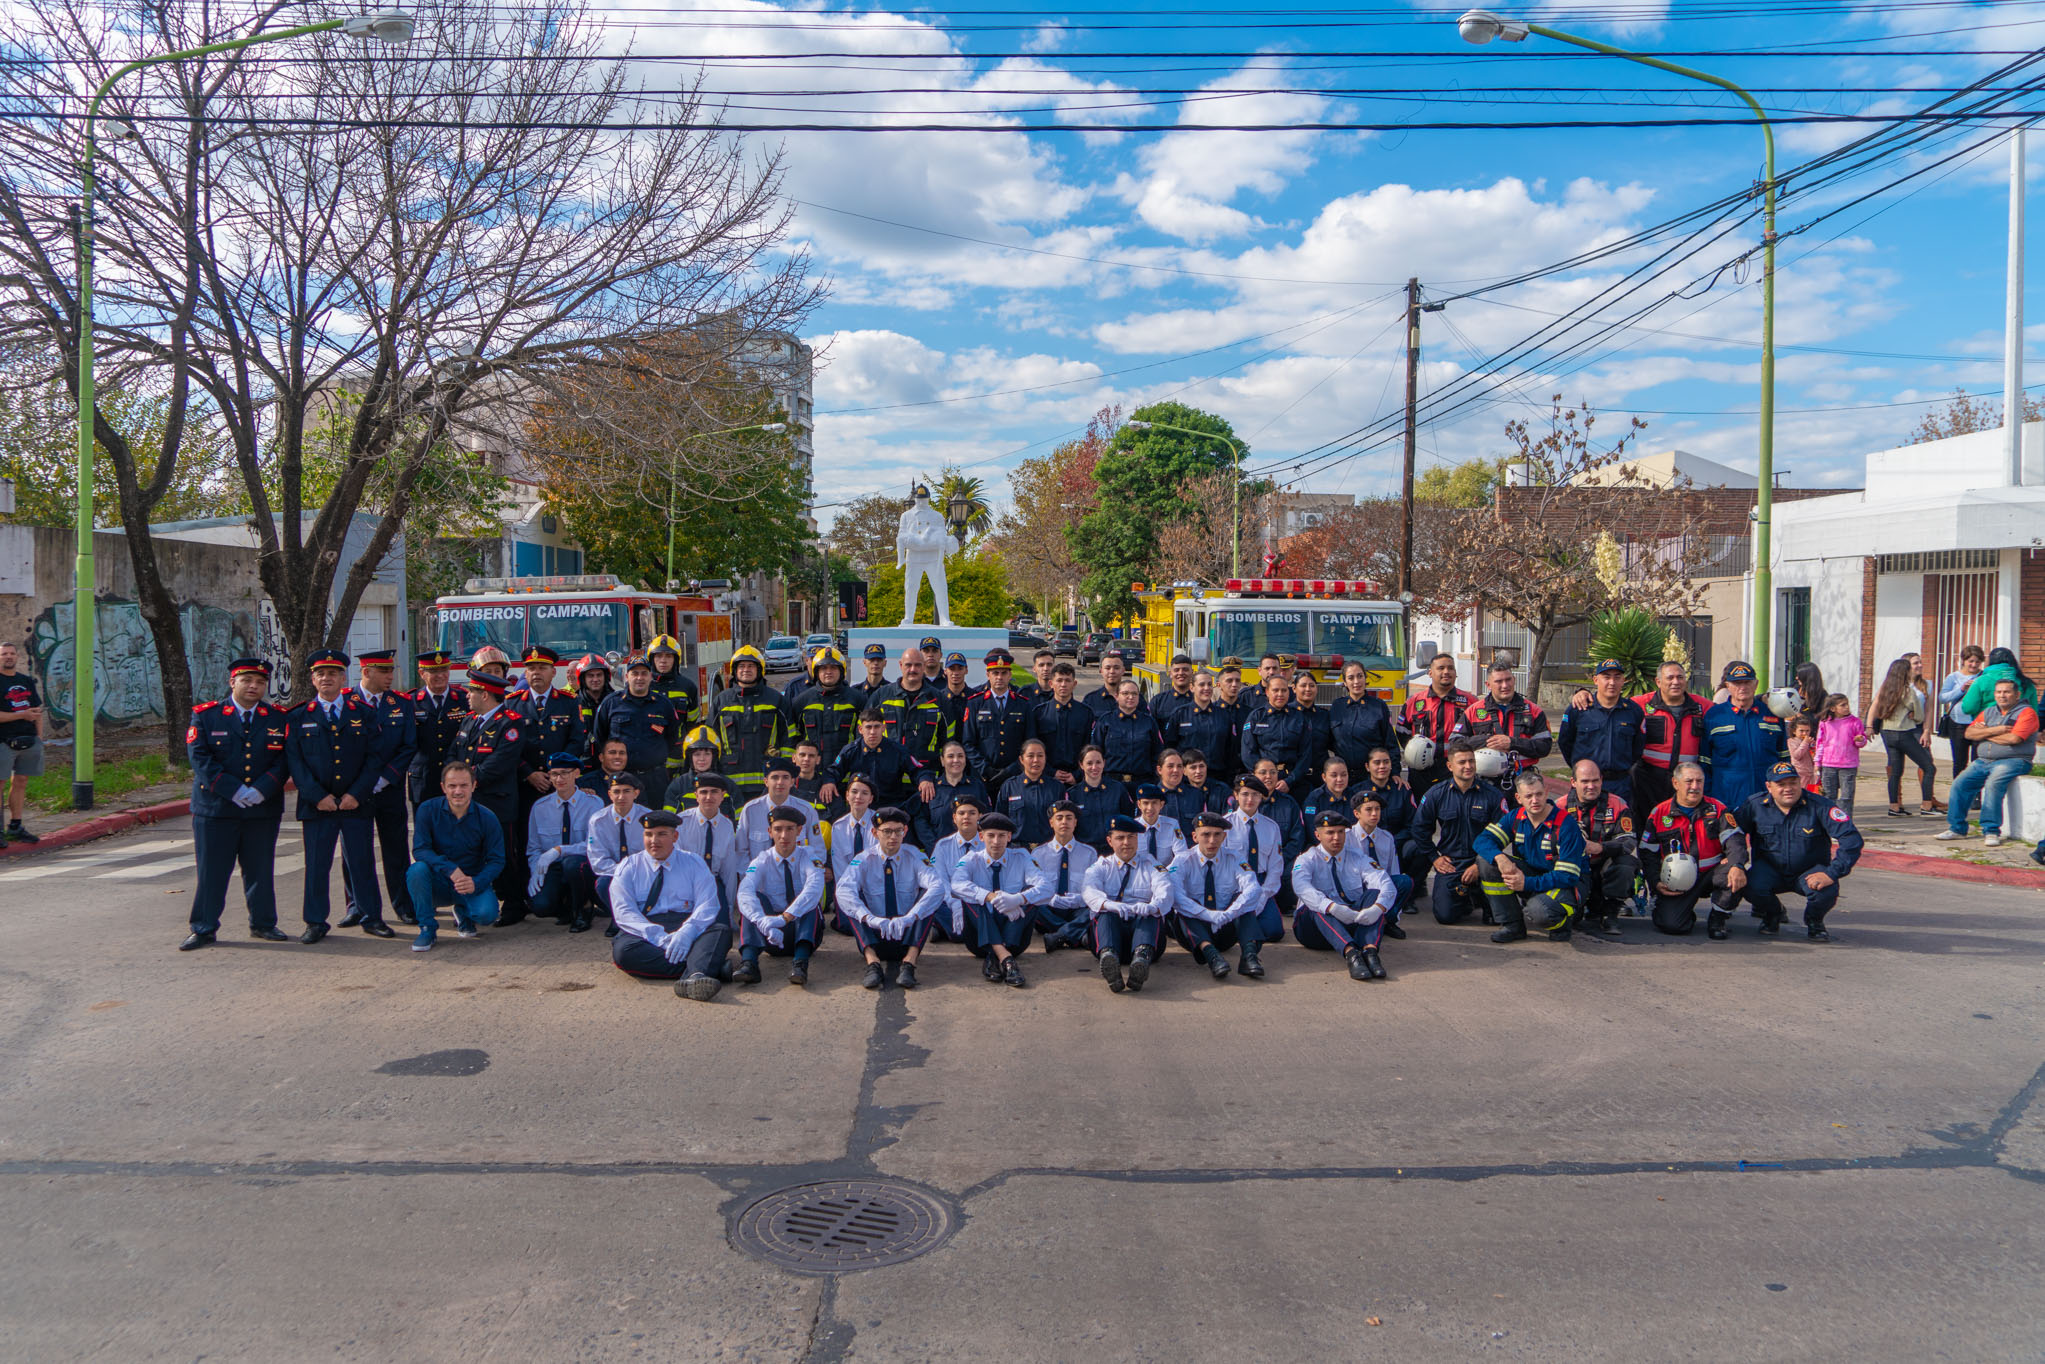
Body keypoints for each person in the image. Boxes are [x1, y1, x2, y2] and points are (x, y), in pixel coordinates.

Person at [181, 658, 293, 950]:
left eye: (260, 682)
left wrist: (262, 789)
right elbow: (200, 758)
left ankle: (263, 923)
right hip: (216, 809)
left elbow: (284, 760)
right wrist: (232, 790)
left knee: (260, 869)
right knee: (212, 871)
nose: (254, 687)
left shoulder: (278, 717)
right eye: (247, 681)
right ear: (233, 682)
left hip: (261, 807)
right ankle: (203, 928)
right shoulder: (206, 716)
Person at [286, 650, 391, 942]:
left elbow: (374, 758)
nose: (326, 678)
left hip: (355, 803)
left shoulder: (363, 714)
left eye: (332, 674)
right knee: (317, 865)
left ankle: (371, 917)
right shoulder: (298, 716)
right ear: (313, 679)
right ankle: (315, 922)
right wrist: (316, 795)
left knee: (362, 862)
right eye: (321, 674)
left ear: (343, 678)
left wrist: (357, 794)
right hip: (317, 805)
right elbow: (295, 761)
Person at [1730, 761, 1864, 941]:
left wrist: (1831, 873)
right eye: (1781, 784)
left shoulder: (1820, 805)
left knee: (1827, 890)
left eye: (1793, 782)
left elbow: (1851, 839)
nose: (1788, 789)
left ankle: (1814, 921)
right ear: (1769, 787)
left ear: (1800, 782)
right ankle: (1773, 913)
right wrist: (1735, 863)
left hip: (1808, 871)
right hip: (1770, 870)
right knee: (1748, 885)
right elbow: (1733, 834)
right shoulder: (1754, 805)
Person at [608, 809, 733, 999]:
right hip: (646, 928)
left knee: (720, 932)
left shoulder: (694, 863)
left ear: (675, 836)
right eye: (648, 834)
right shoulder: (628, 866)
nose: (654, 841)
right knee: (624, 952)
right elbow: (624, 912)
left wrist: (687, 933)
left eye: (661, 834)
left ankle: (696, 973)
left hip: (685, 922)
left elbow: (707, 905)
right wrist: (660, 938)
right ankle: (703, 969)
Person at [450, 669, 531, 925]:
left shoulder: (510, 722)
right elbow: (454, 753)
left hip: (497, 802)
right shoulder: (469, 720)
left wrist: (465, 780)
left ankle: (514, 904)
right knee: (470, 853)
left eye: (471, 691)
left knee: (504, 854)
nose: (467, 696)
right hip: (468, 803)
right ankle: (472, 903)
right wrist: (453, 778)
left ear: (484, 694)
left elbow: (501, 763)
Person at [342, 649, 416, 925]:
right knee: (354, 851)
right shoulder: (345, 701)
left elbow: (408, 745)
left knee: (395, 849)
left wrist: (385, 778)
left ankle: (403, 904)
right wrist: (360, 783)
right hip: (354, 791)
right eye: (384, 671)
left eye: (391, 671)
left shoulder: (401, 703)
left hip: (389, 788)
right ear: (366, 672)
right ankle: (355, 906)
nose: (390, 677)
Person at [836, 806, 946, 990]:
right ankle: (873, 964)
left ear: (905, 832)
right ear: (874, 832)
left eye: (898, 831)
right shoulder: (864, 859)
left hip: (907, 934)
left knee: (928, 898)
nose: (893, 837)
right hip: (875, 934)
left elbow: (937, 886)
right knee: (852, 900)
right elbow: (843, 890)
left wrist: (911, 917)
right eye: (887, 831)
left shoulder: (915, 856)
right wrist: (869, 918)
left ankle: (909, 964)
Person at [1475, 769, 1587, 944]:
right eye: (1528, 796)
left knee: (1539, 911)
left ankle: (1563, 923)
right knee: (1486, 861)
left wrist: (1526, 883)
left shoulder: (1565, 824)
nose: (1535, 800)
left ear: (1546, 793)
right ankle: (1513, 925)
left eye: (1539, 794)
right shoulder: (1516, 818)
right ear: (1519, 799)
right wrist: (1500, 858)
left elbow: (1568, 876)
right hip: (1534, 877)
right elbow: (1482, 841)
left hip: (1567, 884)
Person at [404, 761, 507, 951]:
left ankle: (464, 912)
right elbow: (420, 849)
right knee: (416, 870)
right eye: (452, 786)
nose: (458, 791)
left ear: (474, 786)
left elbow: (497, 860)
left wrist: (477, 882)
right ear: (443, 787)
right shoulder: (427, 810)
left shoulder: (487, 818)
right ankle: (427, 928)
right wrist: (450, 869)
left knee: (487, 915)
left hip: (470, 882)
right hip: (439, 882)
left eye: (463, 785)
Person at [1639, 760, 1745, 939]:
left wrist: (1737, 865)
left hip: (1711, 874)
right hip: (1677, 880)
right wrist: (1656, 882)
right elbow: (1647, 852)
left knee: (1737, 872)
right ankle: (1682, 911)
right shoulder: (1659, 813)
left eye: (1699, 781)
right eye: (1689, 781)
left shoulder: (1717, 809)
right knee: (1671, 925)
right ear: (1675, 783)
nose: (1695, 787)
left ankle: (1718, 917)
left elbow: (1735, 841)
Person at [1292, 808, 1397, 980]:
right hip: (1314, 931)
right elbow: (1301, 887)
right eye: (1330, 833)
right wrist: (1332, 907)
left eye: (1341, 832)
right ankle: (1352, 954)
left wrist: (1378, 908)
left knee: (1375, 893)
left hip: (1350, 920)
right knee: (1316, 904)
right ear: (1318, 835)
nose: (1336, 838)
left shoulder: (1357, 857)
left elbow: (1385, 883)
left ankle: (1370, 952)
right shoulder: (1307, 859)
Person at [1413, 739, 1508, 926]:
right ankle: (1467, 898)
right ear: (1450, 766)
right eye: (1462, 762)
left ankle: (1478, 896)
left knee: (1496, 918)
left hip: (1484, 861)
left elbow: (1503, 833)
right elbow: (1419, 828)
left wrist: (1480, 864)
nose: (1468, 766)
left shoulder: (1492, 795)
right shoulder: (1436, 794)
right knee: (1445, 916)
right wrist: (1435, 858)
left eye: (1471, 761)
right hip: (1452, 863)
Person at [1937, 677, 2039, 848]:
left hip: (2014, 760)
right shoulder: (1989, 711)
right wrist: (1997, 730)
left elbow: (2014, 738)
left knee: (1993, 784)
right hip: (1983, 760)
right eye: (1998, 692)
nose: (2002, 696)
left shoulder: (2027, 713)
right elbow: (1969, 733)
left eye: (2007, 692)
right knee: (1960, 784)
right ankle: (1957, 828)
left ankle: (1991, 830)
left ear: (2017, 694)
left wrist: (1984, 733)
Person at [951, 811, 1049, 987]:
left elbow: (1047, 888)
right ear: (981, 836)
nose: (996, 841)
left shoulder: (1022, 856)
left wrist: (1018, 899)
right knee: (972, 897)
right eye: (991, 835)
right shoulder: (971, 859)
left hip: (1015, 938)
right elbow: (956, 884)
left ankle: (994, 956)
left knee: (1031, 894)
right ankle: (1006, 959)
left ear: (1009, 837)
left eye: (1002, 836)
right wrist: (990, 897)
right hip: (978, 941)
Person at [734, 805, 827, 986]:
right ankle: (749, 963)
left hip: (803, 934)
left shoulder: (809, 856)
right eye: (778, 829)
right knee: (754, 899)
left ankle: (800, 964)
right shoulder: (762, 859)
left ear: (799, 831)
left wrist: (784, 918)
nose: (783, 836)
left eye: (789, 829)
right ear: (770, 832)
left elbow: (814, 887)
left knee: (809, 902)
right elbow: (745, 890)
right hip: (770, 934)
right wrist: (761, 920)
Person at [1081, 814, 1174, 994]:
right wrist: (1108, 904)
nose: (1126, 842)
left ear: (1138, 839)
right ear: (1110, 841)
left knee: (1152, 915)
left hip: (1142, 933)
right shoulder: (1101, 866)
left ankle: (1141, 958)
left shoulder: (1151, 865)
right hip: (1111, 935)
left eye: (1131, 837)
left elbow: (1166, 890)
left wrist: (1152, 906)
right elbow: (1088, 890)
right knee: (1104, 914)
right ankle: (1109, 959)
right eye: (1120, 838)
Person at [1167, 811, 1266, 979]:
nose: (1212, 840)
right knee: (1184, 907)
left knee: (1244, 902)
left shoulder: (1234, 858)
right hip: (1195, 934)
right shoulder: (1182, 861)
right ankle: (1212, 956)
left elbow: (1253, 888)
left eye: (1217, 835)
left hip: (1225, 925)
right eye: (1206, 834)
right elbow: (1175, 896)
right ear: (1195, 836)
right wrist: (1208, 915)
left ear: (1224, 836)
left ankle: (1249, 956)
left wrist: (1230, 913)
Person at [1557, 759, 1638, 933]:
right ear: (1573, 782)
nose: (1591, 786)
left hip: (1604, 868)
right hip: (1575, 869)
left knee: (1626, 863)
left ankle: (1611, 913)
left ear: (1602, 780)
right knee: (1570, 921)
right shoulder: (1559, 807)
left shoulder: (1618, 804)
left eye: (1595, 780)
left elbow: (1628, 842)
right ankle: (1577, 905)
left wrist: (1600, 848)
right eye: (1585, 781)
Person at [526, 752, 604, 931]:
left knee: (572, 864)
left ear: (576, 773)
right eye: (554, 774)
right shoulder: (540, 807)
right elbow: (534, 847)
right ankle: (566, 908)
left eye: (564, 773)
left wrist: (560, 850)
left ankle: (583, 909)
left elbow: (595, 846)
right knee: (540, 906)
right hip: (553, 866)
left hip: (580, 865)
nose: (559, 779)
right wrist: (535, 871)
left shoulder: (593, 804)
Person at [1556, 659, 1645, 810]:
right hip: (1586, 784)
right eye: (1606, 677)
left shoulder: (1633, 712)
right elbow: (1565, 743)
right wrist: (1581, 769)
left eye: (1617, 677)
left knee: (1620, 827)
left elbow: (1638, 747)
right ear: (1596, 680)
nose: (1612, 682)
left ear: (1623, 680)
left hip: (1619, 784)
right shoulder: (1579, 709)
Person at [1700, 661, 1789, 811]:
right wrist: (1708, 797)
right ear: (1728, 686)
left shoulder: (1772, 714)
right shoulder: (1714, 716)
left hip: (1766, 798)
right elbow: (1704, 761)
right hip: (1727, 797)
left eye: (1747, 682)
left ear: (1756, 684)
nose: (1742, 687)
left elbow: (1784, 757)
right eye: (1737, 683)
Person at [595, 656, 682, 802]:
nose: (639, 678)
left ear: (650, 677)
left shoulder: (663, 704)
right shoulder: (611, 703)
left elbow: (672, 737)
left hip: (655, 778)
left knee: (655, 821)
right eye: (635, 673)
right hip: (622, 779)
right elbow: (600, 737)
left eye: (644, 673)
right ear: (627, 676)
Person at [1454, 661, 1553, 789]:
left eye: (1508, 680)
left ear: (1514, 680)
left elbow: (1544, 746)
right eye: (1499, 681)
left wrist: (1512, 743)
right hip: (1484, 783)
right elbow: (1455, 743)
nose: (1505, 685)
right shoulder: (1473, 711)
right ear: (1488, 685)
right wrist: (1487, 740)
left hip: (1523, 781)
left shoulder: (1534, 711)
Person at [713, 645, 794, 799]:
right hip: (729, 781)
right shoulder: (721, 701)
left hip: (768, 780)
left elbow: (789, 736)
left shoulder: (775, 700)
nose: (746, 670)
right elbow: (712, 738)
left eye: (751, 666)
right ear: (735, 671)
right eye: (741, 666)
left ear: (759, 670)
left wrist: (783, 768)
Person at [1396, 653, 1474, 799]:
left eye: (1451, 668)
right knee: (1422, 816)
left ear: (1455, 673)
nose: (1446, 672)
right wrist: (1415, 752)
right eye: (1441, 668)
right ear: (1430, 673)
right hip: (1421, 771)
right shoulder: (1414, 701)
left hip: (1455, 770)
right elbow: (1402, 731)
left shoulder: (1470, 702)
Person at [1226, 773, 1289, 945]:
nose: (1250, 799)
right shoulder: (1225, 826)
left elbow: (1275, 866)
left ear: (1261, 796)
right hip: (1233, 884)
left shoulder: (1271, 827)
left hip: (1260, 882)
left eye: (1255, 794)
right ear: (1236, 795)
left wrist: (1264, 894)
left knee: (1275, 931)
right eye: (1245, 794)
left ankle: (1245, 928)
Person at [584, 770, 648, 938]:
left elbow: (653, 855)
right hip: (613, 873)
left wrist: (635, 872)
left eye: (626, 791)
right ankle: (618, 919)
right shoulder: (598, 820)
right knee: (603, 884)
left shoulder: (648, 818)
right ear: (609, 794)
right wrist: (623, 873)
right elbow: (598, 860)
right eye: (617, 792)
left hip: (642, 871)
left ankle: (640, 918)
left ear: (636, 793)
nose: (621, 797)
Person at [406, 649, 470, 809]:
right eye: (434, 671)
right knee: (425, 827)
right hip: (423, 779)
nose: (440, 675)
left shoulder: (463, 699)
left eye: (444, 670)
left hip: (456, 779)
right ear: (421, 673)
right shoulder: (410, 702)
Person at [1031, 800, 1098, 949]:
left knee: (1097, 909)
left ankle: (1059, 936)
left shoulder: (1089, 853)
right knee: (1032, 905)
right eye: (1059, 818)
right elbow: (1035, 887)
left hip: (1078, 909)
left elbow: (1094, 887)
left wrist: (1080, 900)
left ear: (1075, 823)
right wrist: (1050, 898)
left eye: (1069, 818)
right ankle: (1077, 934)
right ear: (1051, 823)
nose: (1064, 822)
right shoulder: (1038, 854)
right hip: (1050, 909)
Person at [872, 647, 951, 772]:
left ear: (924, 666)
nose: (913, 669)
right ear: (900, 665)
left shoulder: (939, 700)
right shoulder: (881, 696)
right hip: (888, 775)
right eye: (908, 665)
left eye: (917, 665)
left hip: (925, 778)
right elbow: (863, 734)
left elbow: (949, 742)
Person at [676, 772, 743, 919]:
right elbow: (676, 862)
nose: (708, 797)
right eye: (703, 792)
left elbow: (729, 870)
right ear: (696, 795)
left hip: (713, 882)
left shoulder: (726, 825)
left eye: (714, 792)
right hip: (686, 883)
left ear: (722, 795)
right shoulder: (681, 822)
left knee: (721, 925)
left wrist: (729, 907)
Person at [795, 648, 859, 801]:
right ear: (816, 672)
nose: (828, 672)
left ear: (841, 671)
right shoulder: (802, 701)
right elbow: (795, 738)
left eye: (833, 668)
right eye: (823, 668)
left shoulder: (856, 700)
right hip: (810, 777)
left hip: (846, 777)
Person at [964, 648, 1034, 788]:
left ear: (1010, 675)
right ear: (988, 675)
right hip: (983, 777)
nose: (999, 677)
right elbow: (968, 743)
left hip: (1015, 776)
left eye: (1004, 673)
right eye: (995, 673)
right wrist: (984, 769)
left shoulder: (1023, 704)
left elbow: (1029, 742)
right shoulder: (975, 703)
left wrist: (1013, 769)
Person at [1348, 788, 1413, 939]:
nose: (1374, 814)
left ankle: (1387, 921)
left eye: (1377, 809)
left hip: (1381, 885)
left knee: (1404, 882)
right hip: (1358, 888)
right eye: (1368, 810)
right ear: (1357, 814)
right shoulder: (1347, 837)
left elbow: (1392, 870)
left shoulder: (1387, 838)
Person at [837, 708, 932, 811]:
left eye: (877, 726)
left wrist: (924, 780)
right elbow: (834, 770)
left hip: (891, 808)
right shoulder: (851, 751)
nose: (872, 732)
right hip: (861, 807)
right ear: (860, 729)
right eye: (868, 727)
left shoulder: (897, 750)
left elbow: (918, 770)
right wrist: (829, 783)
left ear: (884, 728)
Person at [737, 758, 824, 866]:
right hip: (760, 878)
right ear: (766, 781)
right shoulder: (750, 810)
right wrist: (750, 877)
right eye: (775, 777)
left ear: (792, 782)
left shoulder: (806, 810)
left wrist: (809, 876)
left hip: (796, 878)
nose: (780, 782)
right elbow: (741, 851)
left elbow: (817, 849)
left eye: (785, 777)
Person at [0, 639, 45, 846]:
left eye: (11, 653)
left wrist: (39, 738)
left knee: (21, 782)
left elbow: (37, 710)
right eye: (4, 654)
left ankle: (16, 826)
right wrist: (22, 715)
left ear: (17, 656)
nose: (8, 657)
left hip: (29, 740)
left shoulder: (26, 680)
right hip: (4, 741)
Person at [1240, 671, 1313, 796]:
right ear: (1267, 692)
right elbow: (1248, 753)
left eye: (1284, 690)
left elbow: (1305, 755)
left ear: (1289, 692)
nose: (1280, 694)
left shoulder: (1299, 717)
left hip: (1292, 782)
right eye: (1275, 690)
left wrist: (1290, 781)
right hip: (1262, 782)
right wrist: (1264, 778)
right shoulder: (1256, 717)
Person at [1328, 660, 1398, 785]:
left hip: (1371, 777)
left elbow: (1390, 742)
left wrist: (1395, 773)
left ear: (1365, 678)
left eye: (1360, 676)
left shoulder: (1378, 706)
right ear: (1345, 682)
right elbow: (1330, 741)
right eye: (1351, 678)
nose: (1356, 682)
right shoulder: (1337, 706)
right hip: (1343, 779)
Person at [913, 740, 989, 849]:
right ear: (942, 760)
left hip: (973, 851)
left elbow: (986, 817)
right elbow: (921, 822)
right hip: (938, 851)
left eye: (960, 756)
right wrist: (934, 848)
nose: (956, 760)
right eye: (950, 756)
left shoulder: (977, 786)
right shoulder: (932, 788)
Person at [1170, 670, 1241, 786]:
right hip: (1187, 781)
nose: (1207, 688)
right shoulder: (1180, 714)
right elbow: (1170, 748)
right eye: (1202, 684)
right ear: (1192, 687)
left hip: (1218, 779)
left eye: (1209, 684)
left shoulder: (1224, 716)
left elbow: (1231, 752)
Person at [1032, 661, 1094, 784]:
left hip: (1077, 779)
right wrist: (1051, 773)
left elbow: (1089, 748)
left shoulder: (1085, 713)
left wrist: (1076, 775)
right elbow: (1033, 747)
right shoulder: (1039, 713)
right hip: (1046, 778)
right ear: (1051, 684)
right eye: (1059, 680)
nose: (1063, 684)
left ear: (1074, 684)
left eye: (1067, 680)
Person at [1094, 678, 1162, 786]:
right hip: (1111, 783)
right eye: (1125, 693)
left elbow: (1158, 753)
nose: (1130, 697)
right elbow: (1095, 752)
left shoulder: (1149, 722)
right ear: (1116, 696)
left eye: (1134, 694)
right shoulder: (1105, 721)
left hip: (1142, 782)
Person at [996, 739, 1061, 847]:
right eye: (1030, 756)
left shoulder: (1056, 787)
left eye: (1040, 756)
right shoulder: (1010, 786)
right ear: (1021, 759)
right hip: (1017, 850)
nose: (1036, 760)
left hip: (1048, 849)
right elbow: (1000, 821)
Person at [1813, 692, 1869, 814]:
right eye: (1842, 705)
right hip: (1828, 764)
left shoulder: (1855, 722)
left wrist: (1860, 740)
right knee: (1828, 796)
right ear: (1832, 708)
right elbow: (1820, 743)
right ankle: (1830, 822)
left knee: (1846, 797)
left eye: (1847, 704)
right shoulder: (1825, 722)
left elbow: (1862, 741)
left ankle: (1845, 823)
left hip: (1848, 765)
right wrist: (1817, 762)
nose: (1847, 707)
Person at [1938, 644, 1987, 780]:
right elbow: (1942, 698)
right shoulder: (1953, 677)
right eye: (1970, 661)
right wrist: (1961, 689)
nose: (1974, 664)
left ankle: (1976, 796)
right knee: (1959, 762)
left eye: (1977, 661)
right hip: (1957, 724)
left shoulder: (1984, 676)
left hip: (1978, 724)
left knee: (1978, 761)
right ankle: (1958, 793)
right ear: (1963, 661)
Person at [1070, 746, 1131, 851]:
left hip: (1114, 852)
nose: (1094, 767)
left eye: (1098, 762)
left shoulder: (1118, 789)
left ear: (1104, 763)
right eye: (1089, 763)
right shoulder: (1072, 795)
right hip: (1085, 852)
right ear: (1081, 765)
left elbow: (1128, 820)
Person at [1957, 646, 2037, 723]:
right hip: (2019, 728)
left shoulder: (1980, 681)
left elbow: (1968, 708)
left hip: (1986, 727)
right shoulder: (2027, 683)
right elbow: (2034, 712)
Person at [646, 634, 702, 734]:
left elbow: (691, 721)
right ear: (652, 660)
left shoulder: (688, 687)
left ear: (675, 660)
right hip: (650, 745)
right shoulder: (644, 686)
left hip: (677, 746)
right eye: (658, 656)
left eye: (668, 656)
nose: (663, 660)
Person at [663, 726, 726, 811]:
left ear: (714, 756)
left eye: (707, 754)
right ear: (689, 757)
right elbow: (669, 820)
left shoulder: (728, 785)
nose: (702, 758)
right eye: (697, 754)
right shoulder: (677, 786)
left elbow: (738, 821)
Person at [1130, 782, 1185, 867]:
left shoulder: (1172, 825)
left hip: (1167, 874)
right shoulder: (1131, 828)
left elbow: (1182, 855)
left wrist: (1167, 873)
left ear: (1161, 805)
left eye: (1154, 803)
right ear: (1139, 804)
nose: (1150, 808)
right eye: (1146, 803)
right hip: (1139, 876)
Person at [569, 654, 613, 750]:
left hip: (610, 758)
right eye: (590, 676)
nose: (595, 679)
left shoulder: (616, 702)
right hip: (582, 760)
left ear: (606, 677)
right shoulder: (573, 703)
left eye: (599, 675)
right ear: (583, 678)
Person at [850, 642, 892, 709]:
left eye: (879, 660)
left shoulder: (891, 691)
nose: (875, 663)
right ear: (864, 662)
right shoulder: (855, 691)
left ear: (885, 663)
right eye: (871, 660)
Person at [1786, 716, 1817, 791]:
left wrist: (1813, 747)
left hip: (1812, 773)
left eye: (1807, 731)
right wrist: (1805, 743)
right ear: (1794, 731)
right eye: (1801, 731)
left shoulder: (1810, 741)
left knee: (1812, 793)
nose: (1805, 733)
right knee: (1801, 793)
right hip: (1799, 773)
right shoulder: (1792, 741)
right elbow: (1797, 756)